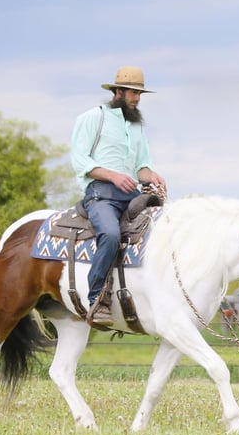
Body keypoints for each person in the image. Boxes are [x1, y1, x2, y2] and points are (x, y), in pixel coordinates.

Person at [70, 66, 167, 327]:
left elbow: (141, 167)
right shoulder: (93, 118)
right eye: (133, 93)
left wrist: (153, 176)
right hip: (101, 195)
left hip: (131, 195)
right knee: (111, 235)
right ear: (118, 91)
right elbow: (80, 160)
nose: (137, 99)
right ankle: (96, 299)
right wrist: (113, 176)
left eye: (139, 94)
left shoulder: (136, 128)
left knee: (163, 230)